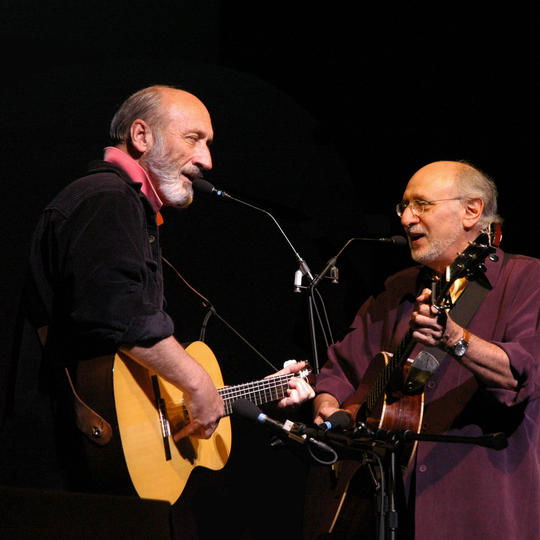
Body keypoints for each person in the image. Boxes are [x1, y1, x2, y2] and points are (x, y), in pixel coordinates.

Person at [16, 85, 313, 492]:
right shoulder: (107, 199)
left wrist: (235, 392)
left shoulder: (121, 204)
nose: (207, 160)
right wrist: (195, 383)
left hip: (86, 456)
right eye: (193, 139)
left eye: (208, 144)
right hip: (65, 461)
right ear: (141, 136)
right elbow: (120, 316)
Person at [313, 161, 540, 538]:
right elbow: (340, 370)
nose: (406, 218)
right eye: (404, 206)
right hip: (390, 506)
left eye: (422, 204)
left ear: (472, 210)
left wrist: (454, 339)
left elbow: (522, 375)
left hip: (481, 505)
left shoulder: (526, 279)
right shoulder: (397, 289)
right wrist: (330, 410)